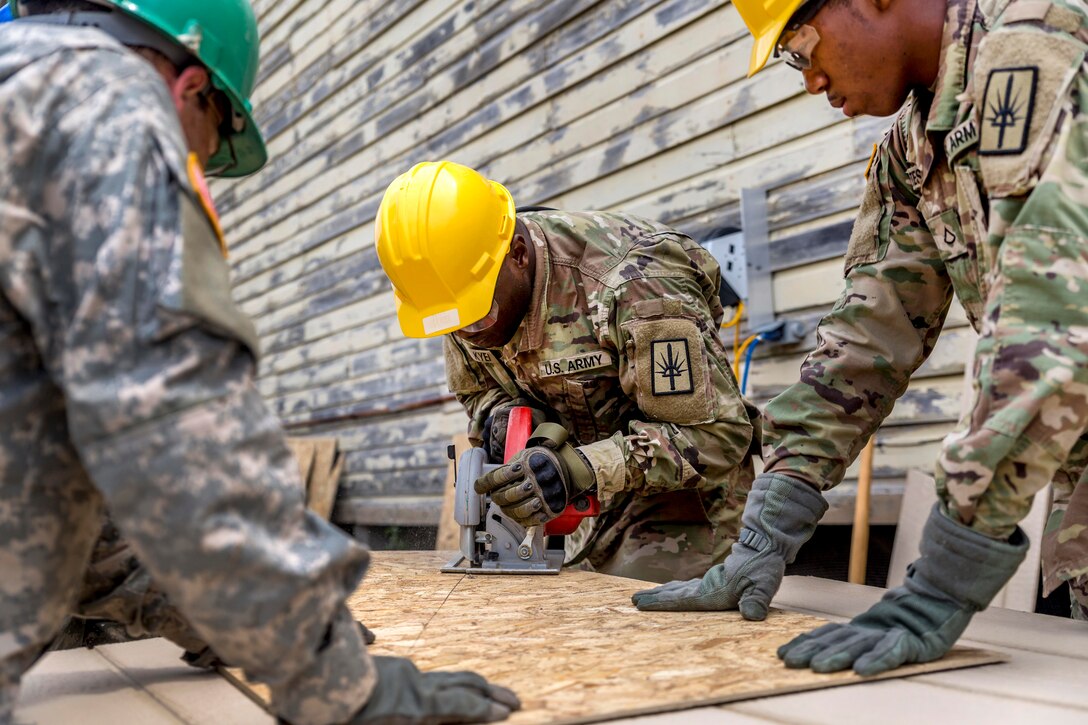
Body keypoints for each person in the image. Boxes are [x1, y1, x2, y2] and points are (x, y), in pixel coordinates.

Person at [0, 2, 519, 723]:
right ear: (191, 90)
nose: (200, 167)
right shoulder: (107, 115)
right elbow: (183, 445)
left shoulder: (22, 100)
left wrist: (240, 625)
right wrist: (337, 677)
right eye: (208, 147)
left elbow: (76, 513)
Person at [633, 0, 1088, 675]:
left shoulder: (1031, 45)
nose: (809, 81)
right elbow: (862, 344)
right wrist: (765, 525)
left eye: (800, 47)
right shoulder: (912, 152)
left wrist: (948, 570)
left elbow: (1052, 318)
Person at [375, 161, 757, 583]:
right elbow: (478, 392)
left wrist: (579, 470)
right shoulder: (463, 291)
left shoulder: (636, 285)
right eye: (452, 323)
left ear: (518, 255)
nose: (470, 336)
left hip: (681, 498)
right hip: (568, 505)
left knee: (630, 611)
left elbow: (719, 436)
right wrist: (508, 418)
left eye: (478, 316)